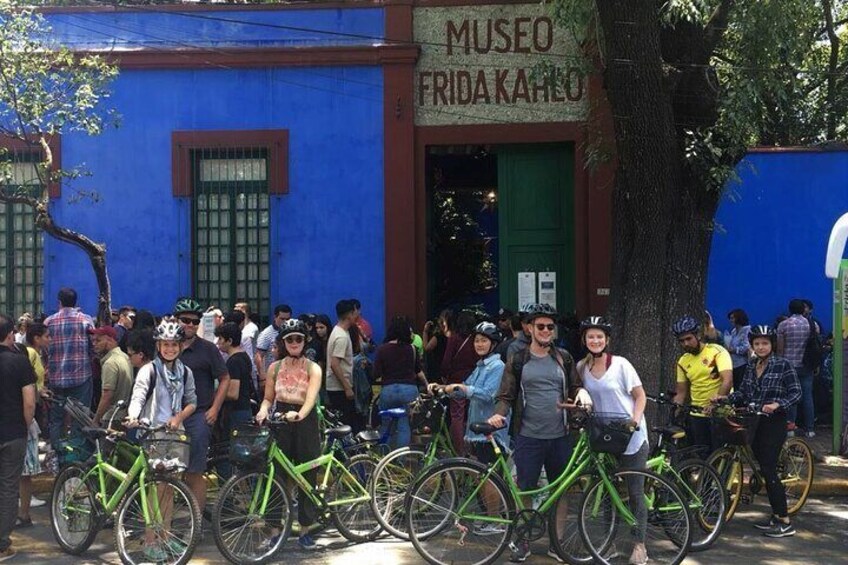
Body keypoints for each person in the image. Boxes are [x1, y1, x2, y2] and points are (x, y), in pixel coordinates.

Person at [488, 303, 586, 563]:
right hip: (528, 435)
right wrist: (499, 413)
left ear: (554, 331)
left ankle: (558, 542)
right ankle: (523, 541)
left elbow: (575, 386)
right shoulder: (518, 359)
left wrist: (582, 393)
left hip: (560, 436)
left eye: (549, 327)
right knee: (525, 490)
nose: (545, 330)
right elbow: (506, 394)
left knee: (560, 490)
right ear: (529, 328)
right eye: (540, 326)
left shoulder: (563, 357)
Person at [573, 317, 649, 565]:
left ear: (607, 340)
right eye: (590, 337)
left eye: (599, 337)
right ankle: (610, 542)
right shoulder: (581, 368)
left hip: (630, 437)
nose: (595, 341)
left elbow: (640, 397)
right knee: (606, 491)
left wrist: (635, 421)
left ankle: (640, 545)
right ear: (584, 340)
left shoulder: (621, 365)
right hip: (603, 438)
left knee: (635, 492)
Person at [713, 325, 801, 538]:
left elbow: (796, 392)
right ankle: (774, 515)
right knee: (761, 463)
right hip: (754, 421)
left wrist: (777, 404)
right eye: (757, 344)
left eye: (765, 343)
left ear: (772, 344)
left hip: (774, 421)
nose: (761, 347)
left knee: (769, 469)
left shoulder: (783, 365)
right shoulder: (752, 366)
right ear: (752, 345)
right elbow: (743, 392)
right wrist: (725, 398)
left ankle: (784, 521)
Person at [126, 320, 198, 562]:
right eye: (165, 344)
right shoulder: (149, 370)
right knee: (155, 490)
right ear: (158, 346)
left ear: (180, 346)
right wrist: (134, 416)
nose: (170, 349)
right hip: (154, 434)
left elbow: (192, 401)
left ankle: (165, 537)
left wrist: (179, 417)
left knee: (170, 489)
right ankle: (150, 541)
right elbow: (138, 394)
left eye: (174, 344)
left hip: (176, 435)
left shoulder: (185, 372)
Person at [256, 319, 323, 550]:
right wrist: (264, 410)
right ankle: (275, 530)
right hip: (281, 419)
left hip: (304, 420)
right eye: (289, 339)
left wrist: (299, 415)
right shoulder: (274, 368)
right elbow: (267, 398)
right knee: (276, 475)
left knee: (306, 476)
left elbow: (310, 400)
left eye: (299, 338)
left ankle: (305, 529)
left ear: (305, 341)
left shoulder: (313, 368)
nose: (294, 342)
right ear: (283, 342)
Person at [174, 297, 230, 514]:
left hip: (198, 415)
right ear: (176, 320)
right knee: (166, 472)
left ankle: (195, 521)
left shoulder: (207, 349)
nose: (189, 325)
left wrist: (215, 408)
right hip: (170, 415)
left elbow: (224, 378)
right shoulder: (167, 347)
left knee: (195, 470)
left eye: (194, 322)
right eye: (185, 320)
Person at [437, 321, 508, 462]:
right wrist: (443, 389)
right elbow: (464, 387)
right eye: (476, 341)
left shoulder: (497, 366)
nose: (479, 344)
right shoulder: (480, 366)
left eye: (484, 341)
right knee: (479, 476)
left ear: (493, 344)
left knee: (490, 479)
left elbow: (488, 395)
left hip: (491, 435)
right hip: (476, 434)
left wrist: (464, 389)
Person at [0, 313, 37, 561]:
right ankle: (2, 543)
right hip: (13, 434)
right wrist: (25, 427)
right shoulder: (20, 362)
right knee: (8, 488)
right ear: (11, 333)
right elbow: (29, 403)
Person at [671, 315, 732, 454]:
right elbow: (681, 392)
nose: (685, 343)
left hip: (720, 412)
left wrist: (715, 403)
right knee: (702, 455)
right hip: (697, 413)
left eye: (688, 339)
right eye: (682, 341)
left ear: (698, 335)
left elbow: (727, 381)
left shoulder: (717, 352)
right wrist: (674, 412)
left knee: (719, 454)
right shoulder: (683, 361)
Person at [44, 287, 95, 448]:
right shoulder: (85, 320)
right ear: (75, 302)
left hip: (56, 378)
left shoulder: (49, 322)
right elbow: (93, 347)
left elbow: (44, 349)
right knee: (79, 417)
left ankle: (57, 453)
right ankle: (75, 453)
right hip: (81, 376)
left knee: (56, 419)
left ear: (59, 302)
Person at [373, 316, 428, 449]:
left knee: (386, 425)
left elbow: (376, 374)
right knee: (404, 426)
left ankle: (385, 460)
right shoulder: (412, 349)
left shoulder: (382, 349)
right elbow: (418, 371)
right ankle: (401, 461)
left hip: (389, 390)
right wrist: (427, 385)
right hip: (409, 390)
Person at [17, 322, 50, 529]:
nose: (49, 339)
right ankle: (23, 511)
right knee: (23, 472)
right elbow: (29, 394)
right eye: (46, 336)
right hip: (24, 420)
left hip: (23, 419)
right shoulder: (28, 356)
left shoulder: (25, 353)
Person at [214, 322, 256, 477]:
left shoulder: (234, 361)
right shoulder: (244, 357)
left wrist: (215, 395)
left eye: (220, 339)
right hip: (244, 410)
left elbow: (233, 393)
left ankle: (229, 491)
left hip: (235, 413)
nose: (218, 343)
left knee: (227, 453)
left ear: (229, 341)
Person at [440, 310, 479, 455]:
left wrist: (444, 377)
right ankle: (472, 447)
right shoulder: (477, 339)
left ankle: (459, 450)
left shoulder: (454, 339)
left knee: (457, 416)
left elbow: (446, 362)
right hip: (474, 381)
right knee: (472, 413)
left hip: (456, 381)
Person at [777, 299, 814, 437]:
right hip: (806, 364)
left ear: (790, 309)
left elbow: (780, 348)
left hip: (789, 365)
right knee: (807, 396)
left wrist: (779, 363)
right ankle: (810, 429)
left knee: (791, 396)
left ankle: (791, 427)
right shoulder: (811, 324)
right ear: (803, 309)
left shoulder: (784, 325)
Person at [90, 326, 134, 426]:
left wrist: (96, 420)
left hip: (112, 417)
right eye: (93, 341)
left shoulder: (110, 363)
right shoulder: (124, 356)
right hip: (123, 415)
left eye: (98, 340)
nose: (94, 344)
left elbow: (107, 396)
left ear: (110, 340)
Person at [326, 300, 358, 428]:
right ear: (350, 314)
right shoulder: (341, 337)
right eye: (356, 312)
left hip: (336, 387)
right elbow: (334, 364)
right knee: (345, 424)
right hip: (339, 389)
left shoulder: (338, 331)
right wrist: (347, 387)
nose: (358, 314)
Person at [255, 305, 292, 388]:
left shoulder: (291, 333)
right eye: (282, 319)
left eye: (287, 319)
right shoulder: (266, 334)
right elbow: (258, 356)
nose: (285, 322)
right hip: (272, 375)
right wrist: (262, 377)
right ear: (275, 317)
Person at [724, 309, 752, 391]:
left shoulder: (747, 330)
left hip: (742, 363)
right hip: (733, 363)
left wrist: (734, 350)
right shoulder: (733, 331)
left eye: (733, 318)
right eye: (730, 318)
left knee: (741, 386)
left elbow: (746, 347)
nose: (731, 320)